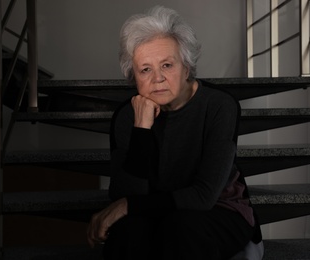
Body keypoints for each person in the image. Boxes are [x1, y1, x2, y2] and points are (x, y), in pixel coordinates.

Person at [87, 5, 262, 260]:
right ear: (133, 76)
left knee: (181, 229)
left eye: (167, 65)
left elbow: (203, 196)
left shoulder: (218, 106)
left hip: (218, 210)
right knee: (127, 234)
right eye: (145, 69)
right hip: (153, 209)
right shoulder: (128, 116)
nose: (157, 78)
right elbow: (126, 193)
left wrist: (128, 206)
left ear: (187, 67)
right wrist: (141, 129)